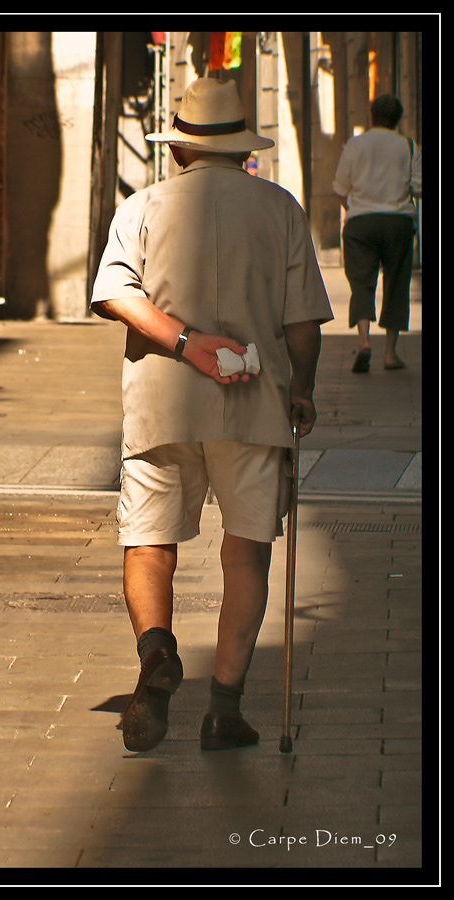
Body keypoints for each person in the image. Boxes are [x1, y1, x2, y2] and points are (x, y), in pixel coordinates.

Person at [90, 77, 333, 753]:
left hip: (161, 403)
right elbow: (304, 324)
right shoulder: (280, 209)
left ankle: (158, 652)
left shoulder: (142, 205)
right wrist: (303, 389)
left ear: (180, 148)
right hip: (254, 406)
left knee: (149, 542)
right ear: (240, 148)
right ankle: (224, 708)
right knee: (247, 550)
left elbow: (115, 293)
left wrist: (183, 342)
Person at [333, 93, 422, 373]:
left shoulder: (355, 145)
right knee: (397, 283)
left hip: (361, 223)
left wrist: (356, 207)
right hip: (397, 223)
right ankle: (391, 354)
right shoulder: (408, 146)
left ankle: (363, 341)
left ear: (371, 116)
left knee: (361, 283)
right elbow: (418, 188)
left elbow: (340, 189)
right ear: (398, 119)